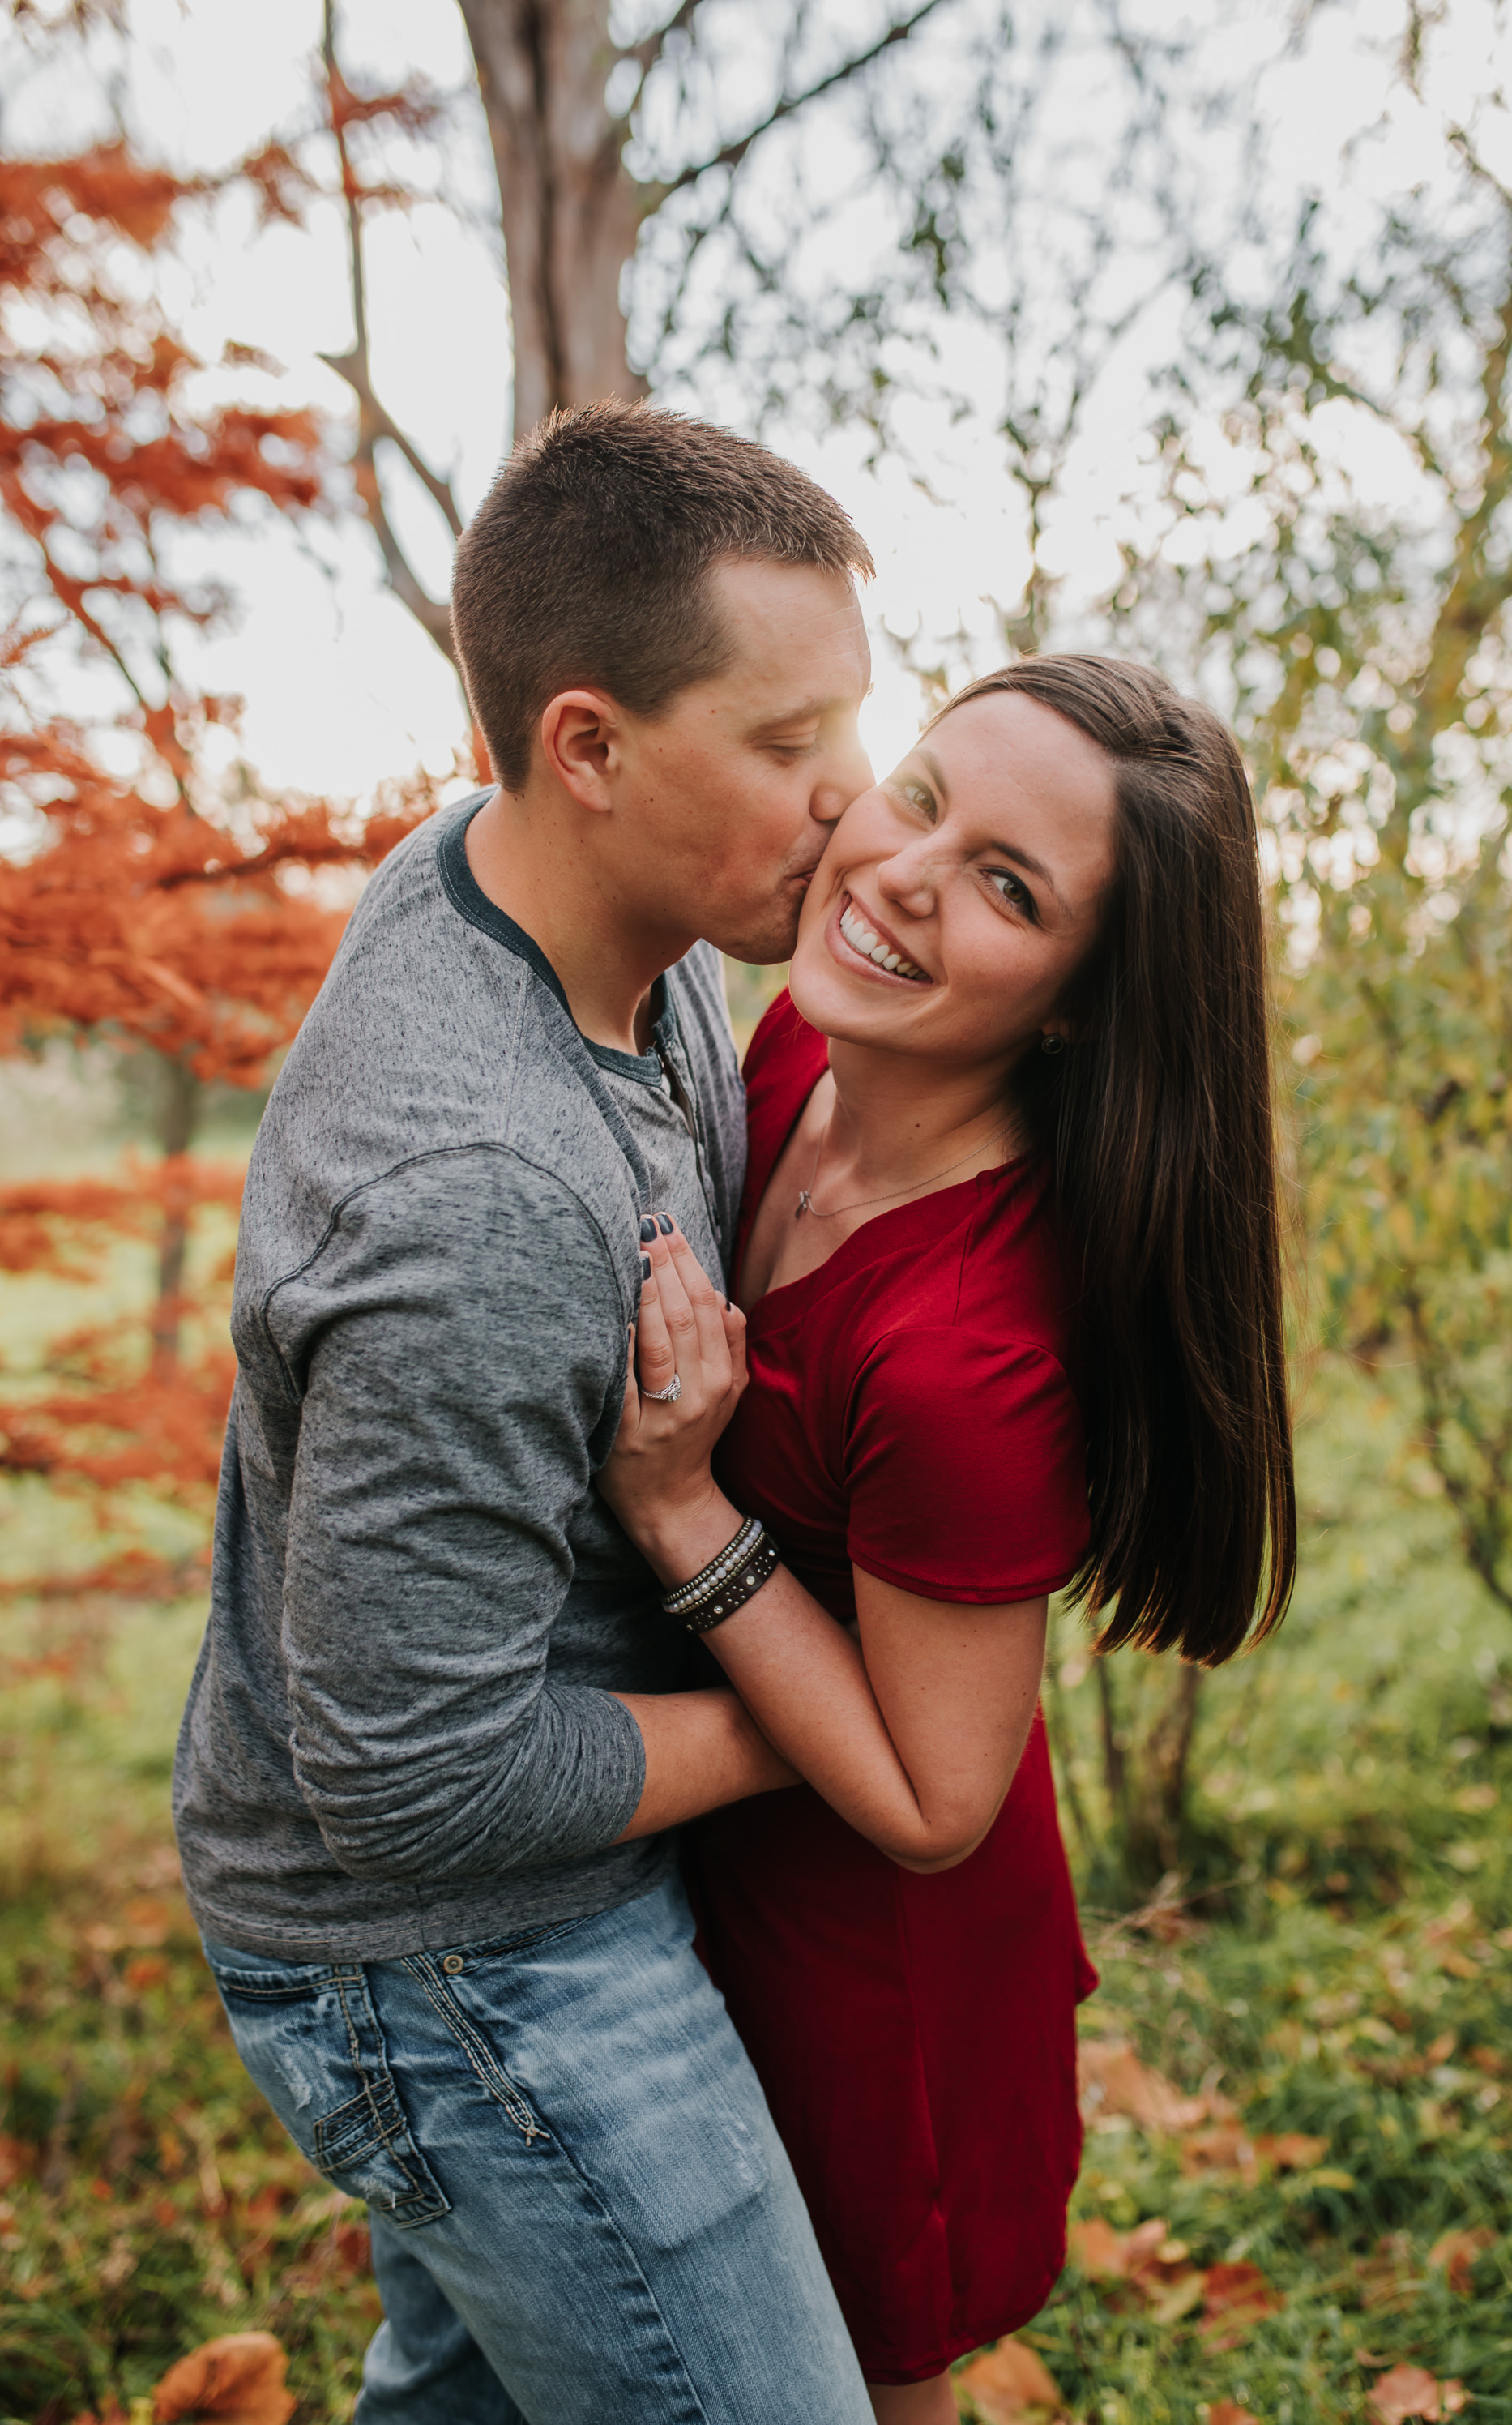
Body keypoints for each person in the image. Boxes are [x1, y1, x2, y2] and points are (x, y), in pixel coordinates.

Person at [171, 402, 883, 2423]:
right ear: (584, 745)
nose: (849, 799)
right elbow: (417, 1785)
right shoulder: (477, 1187)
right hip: (462, 1965)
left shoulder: (604, 920)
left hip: (498, 1894)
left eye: (848, 722)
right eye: (781, 745)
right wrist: (821, 1728)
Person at [601, 653, 1297, 2423]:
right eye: (922, 793)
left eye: (1008, 886)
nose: (905, 872)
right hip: (691, 1912)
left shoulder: (964, 1357)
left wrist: (683, 1512)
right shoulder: (787, 1058)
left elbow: (936, 1803)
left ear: (1076, 1002)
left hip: (870, 1997)